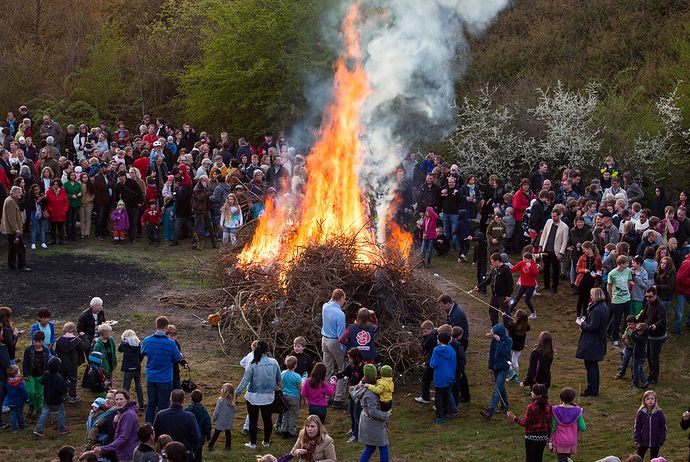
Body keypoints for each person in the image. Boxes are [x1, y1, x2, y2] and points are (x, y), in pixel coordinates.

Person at [235, 340, 282, 450]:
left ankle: (253, 443)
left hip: (253, 397)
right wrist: (281, 389)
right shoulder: (274, 362)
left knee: (253, 419)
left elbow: (245, 381)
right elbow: (279, 379)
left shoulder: (252, 364)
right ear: (267, 350)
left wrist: (237, 392)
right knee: (267, 420)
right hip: (269, 396)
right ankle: (266, 442)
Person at [141, 316, 183, 424]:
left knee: (151, 403)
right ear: (167, 327)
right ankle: (162, 427)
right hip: (165, 378)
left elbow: (143, 353)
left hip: (151, 377)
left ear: (156, 325)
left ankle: (148, 426)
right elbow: (177, 358)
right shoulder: (171, 343)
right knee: (163, 404)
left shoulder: (147, 340)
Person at [576, 288, 609, 397]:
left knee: (591, 366)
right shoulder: (603, 307)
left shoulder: (597, 309)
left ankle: (592, 390)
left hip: (592, 341)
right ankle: (593, 388)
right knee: (593, 366)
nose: (590, 296)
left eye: (591, 295)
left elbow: (593, 327)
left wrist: (582, 324)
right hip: (597, 340)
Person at [152, 389, 203, 461]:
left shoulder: (160, 415)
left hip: (165, 454)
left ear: (170, 399)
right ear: (183, 400)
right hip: (184, 454)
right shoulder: (190, 417)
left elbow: (155, 435)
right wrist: (191, 450)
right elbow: (197, 437)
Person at [506, 383, 552, 462]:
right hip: (543, 437)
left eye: (533, 392)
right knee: (538, 458)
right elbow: (549, 423)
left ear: (538, 395)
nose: (531, 392)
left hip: (531, 437)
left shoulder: (531, 407)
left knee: (530, 459)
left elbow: (525, 423)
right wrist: (548, 436)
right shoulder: (549, 406)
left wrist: (514, 418)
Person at [356, 364, 392, 462]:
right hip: (373, 424)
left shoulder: (362, 384)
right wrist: (386, 414)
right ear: (373, 376)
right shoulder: (370, 393)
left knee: (370, 448)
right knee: (383, 446)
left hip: (366, 421)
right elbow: (373, 412)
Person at [95, 390, 140, 462]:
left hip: (128, 454)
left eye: (121, 399)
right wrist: (115, 423)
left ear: (127, 400)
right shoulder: (122, 413)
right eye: (117, 399)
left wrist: (104, 449)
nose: (119, 402)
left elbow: (123, 437)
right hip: (123, 452)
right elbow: (118, 432)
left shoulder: (128, 414)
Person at [321, 288, 347, 409]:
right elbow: (341, 335)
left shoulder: (325, 306)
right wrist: (344, 349)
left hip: (324, 340)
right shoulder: (340, 314)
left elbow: (330, 301)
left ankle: (326, 396)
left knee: (327, 368)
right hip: (334, 341)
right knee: (342, 369)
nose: (344, 302)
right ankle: (338, 398)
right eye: (344, 299)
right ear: (341, 298)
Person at [481, 324, 512, 418]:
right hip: (496, 367)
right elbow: (492, 353)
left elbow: (505, 353)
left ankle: (491, 410)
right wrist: (490, 366)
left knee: (497, 388)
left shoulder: (508, 341)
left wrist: (499, 342)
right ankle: (505, 404)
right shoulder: (494, 341)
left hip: (504, 367)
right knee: (500, 386)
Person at [473, 253, 514, 326]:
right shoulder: (495, 269)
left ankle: (510, 327)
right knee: (492, 311)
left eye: (492, 262)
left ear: (497, 261)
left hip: (503, 296)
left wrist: (508, 295)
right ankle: (495, 327)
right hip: (495, 295)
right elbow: (489, 280)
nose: (491, 264)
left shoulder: (506, 269)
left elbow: (510, 283)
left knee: (505, 313)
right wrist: (479, 286)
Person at [637, 288, 667, 384]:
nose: (647, 298)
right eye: (646, 296)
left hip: (658, 336)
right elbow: (643, 316)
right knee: (649, 355)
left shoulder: (660, 306)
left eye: (650, 297)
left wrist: (654, 326)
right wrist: (635, 321)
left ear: (655, 295)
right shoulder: (648, 304)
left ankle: (655, 377)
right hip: (650, 335)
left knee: (654, 357)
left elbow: (662, 321)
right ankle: (651, 374)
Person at [33, 356, 69, 437]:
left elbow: (41, 381)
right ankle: (62, 429)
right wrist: (66, 384)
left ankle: (38, 429)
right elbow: (63, 390)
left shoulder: (46, 374)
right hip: (57, 400)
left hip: (47, 399)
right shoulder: (58, 378)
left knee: (44, 413)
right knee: (60, 413)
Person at [55, 322, 90, 404]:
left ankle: (62, 395)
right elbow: (85, 346)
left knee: (62, 379)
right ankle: (72, 396)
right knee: (73, 380)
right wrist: (84, 336)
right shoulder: (76, 341)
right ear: (74, 330)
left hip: (61, 364)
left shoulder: (59, 340)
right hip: (72, 364)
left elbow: (57, 352)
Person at [334, 349, 364, 443]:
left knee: (357, 414)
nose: (349, 360)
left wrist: (356, 387)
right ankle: (353, 429)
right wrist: (335, 377)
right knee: (351, 412)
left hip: (359, 395)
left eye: (350, 358)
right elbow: (343, 373)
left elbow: (364, 382)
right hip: (352, 394)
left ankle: (357, 435)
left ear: (356, 358)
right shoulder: (350, 367)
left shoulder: (363, 368)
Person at [538, 204, 570, 293]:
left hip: (556, 251)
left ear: (559, 216)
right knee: (546, 268)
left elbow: (564, 241)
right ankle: (546, 285)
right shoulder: (548, 222)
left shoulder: (564, 227)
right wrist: (541, 245)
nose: (553, 218)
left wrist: (561, 253)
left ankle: (554, 287)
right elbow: (544, 234)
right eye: (552, 216)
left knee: (556, 270)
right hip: (546, 249)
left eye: (555, 216)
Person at [551, 387, 586, 462]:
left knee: (561, 459)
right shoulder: (578, 410)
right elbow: (583, 428)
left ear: (561, 398)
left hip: (559, 440)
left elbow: (552, 427)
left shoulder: (555, 410)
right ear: (573, 398)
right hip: (571, 440)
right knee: (568, 459)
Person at [429, 333, 456, 423]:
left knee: (439, 396)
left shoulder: (436, 350)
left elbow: (433, 364)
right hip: (450, 375)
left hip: (440, 376)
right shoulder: (452, 350)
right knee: (447, 395)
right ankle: (446, 413)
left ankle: (439, 416)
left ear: (439, 340)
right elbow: (454, 364)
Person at [23, 330, 49, 418]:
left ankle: (39, 409)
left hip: (41, 375)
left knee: (39, 393)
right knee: (30, 392)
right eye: (35, 341)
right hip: (30, 374)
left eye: (39, 342)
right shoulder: (28, 350)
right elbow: (25, 363)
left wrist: (46, 376)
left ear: (43, 341)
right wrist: (25, 374)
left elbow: (46, 365)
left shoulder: (46, 351)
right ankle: (31, 405)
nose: (37, 344)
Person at [609, 255, 634, 345]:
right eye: (627, 263)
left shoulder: (628, 271)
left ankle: (625, 335)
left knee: (627, 319)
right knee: (617, 320)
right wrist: (611, 295)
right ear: (621, 263)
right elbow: (609, 285)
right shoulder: (612, 273)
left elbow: (629, 280)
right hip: (617, 300)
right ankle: (614, 337)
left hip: (627, 299)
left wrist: (631, 285)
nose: (628, 264)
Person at [634, 390, 666, 460]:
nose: (650, 400)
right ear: (644, 400)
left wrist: (661, 440)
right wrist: (637, 440)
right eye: (648, 399)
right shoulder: (641, 412)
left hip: (656, 441)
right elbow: (637, 427)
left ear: (655, 400)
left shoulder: (659, 412)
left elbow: (663, 427)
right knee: (639, 458)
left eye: (652, 398)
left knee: (654, 459)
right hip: (643, 440)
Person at [2, 185, 29, 270]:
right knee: (20, 248)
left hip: (11, 230)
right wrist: (16, 229)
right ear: (14, 192)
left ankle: (11, 265)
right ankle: (21, 265)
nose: (21, 193)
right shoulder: (10, 202)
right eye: (19, 192)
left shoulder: (11, 200)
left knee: (12, 248)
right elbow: (11, 218)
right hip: (13, 230)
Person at [575, 241, 602, 322]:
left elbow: (600, 269)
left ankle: (584, 315)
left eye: (584, 249)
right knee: (581, 299)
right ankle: (578, 316)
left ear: (589, 249)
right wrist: (584, 270)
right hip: (582, 281)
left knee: (587, 299)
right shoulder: (582, 257)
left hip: (592, 281)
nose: (583, 251)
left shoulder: (597, 258)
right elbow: (577, 269)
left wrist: (597, 274)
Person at [119, 329, 145, 410]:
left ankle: (123, 404)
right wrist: (138, 362)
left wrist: (123, 342)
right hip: (137, 367)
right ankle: (141, 404)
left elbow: (119, 349)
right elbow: (141, 355)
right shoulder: (138, 344)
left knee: (126, 387)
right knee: (138, 385)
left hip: (128, 368)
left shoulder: (125, 344)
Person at [510, 253, 540, 319]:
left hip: (531, 285)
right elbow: (513, 269)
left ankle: (533, 313)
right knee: (516, 298)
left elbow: (536, 274)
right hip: (523, 284)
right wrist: (506, 269)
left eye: (525, 259)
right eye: (523, 259)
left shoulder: (533, 264)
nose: (524, 260)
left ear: (530, 259)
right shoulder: (521, 263)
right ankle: (509, 310)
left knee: (527, 300)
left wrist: (530, 267)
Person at [414, 320, 437, 404]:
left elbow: (425, 346)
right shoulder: (435, 335)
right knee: (433, 379)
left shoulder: (431, 338)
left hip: (432, 361)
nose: (423, 332)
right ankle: (436, 398)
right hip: (433, 361)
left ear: (430, 329)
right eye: (422, 330)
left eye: (425, 330)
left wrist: (427, 363)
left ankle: (425, 397)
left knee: (425, 378)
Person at [279, 356, 302, 439]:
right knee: (293, 414)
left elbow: (280, 384)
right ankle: (291, 431)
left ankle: (284, 430)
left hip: (284, 396)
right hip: (294, 397)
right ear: (295, 365)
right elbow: (300, 388)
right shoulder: (297, 376)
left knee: (285, 413)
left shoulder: (282, 373)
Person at [506, 310, 531, 383]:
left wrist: (504, 316)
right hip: (519, 347)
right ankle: (515, 377)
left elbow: (507, 325)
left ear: (517, 317)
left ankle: (512, 374)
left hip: (512, 346)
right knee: (514, 360)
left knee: (508, 359)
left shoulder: (513, 326)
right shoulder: (526, 326)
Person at [209, 383, 235, 451]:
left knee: (216, 433)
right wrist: (231, 422)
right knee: (228, 434)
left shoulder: (220, 400)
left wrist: (214, 418)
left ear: (224, 391)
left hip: (220, 421)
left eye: (222, 389)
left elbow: (216, 411)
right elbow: (233, 414)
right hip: (228, 422)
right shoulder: (232, 403)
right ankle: (228, 447)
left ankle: (211, 445)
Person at [5, 365, 28, 432]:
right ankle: (22, 426)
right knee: (20, 414)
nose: (20, 373)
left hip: (10, 401)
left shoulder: (8, 382)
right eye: (19, 372)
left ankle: (14, 429)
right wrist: (26, 399)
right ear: (16, 374)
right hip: (19, 402)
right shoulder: (20, 383)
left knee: (12, 414)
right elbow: (24, 393)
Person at [674, 254, 690, 334]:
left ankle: (688, 323)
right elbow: (680, 278)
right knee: (680, 312)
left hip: (688, 290)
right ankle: (677, 329)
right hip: (682, 291)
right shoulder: (687, 263)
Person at [630, 322, 649, 389]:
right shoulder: (645, 337)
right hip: (642, 356)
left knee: (635, 371)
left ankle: (635, 384)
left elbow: (632, 335)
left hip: (638, 357)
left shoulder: (640, 339)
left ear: (642, 331)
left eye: (638, 330)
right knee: (640, 370)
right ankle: (645, 382)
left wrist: (636, 330)